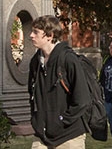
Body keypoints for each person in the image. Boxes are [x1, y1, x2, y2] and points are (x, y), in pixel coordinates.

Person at [25, 15, 91, 149]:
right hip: (42, 136)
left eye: (36, 32)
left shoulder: (68, 60)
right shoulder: (35, 62)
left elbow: (83, 100)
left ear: (49, 36)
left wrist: (61, 121)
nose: (31, 35)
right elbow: (32, 94)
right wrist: (36, 120)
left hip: (69, 136)